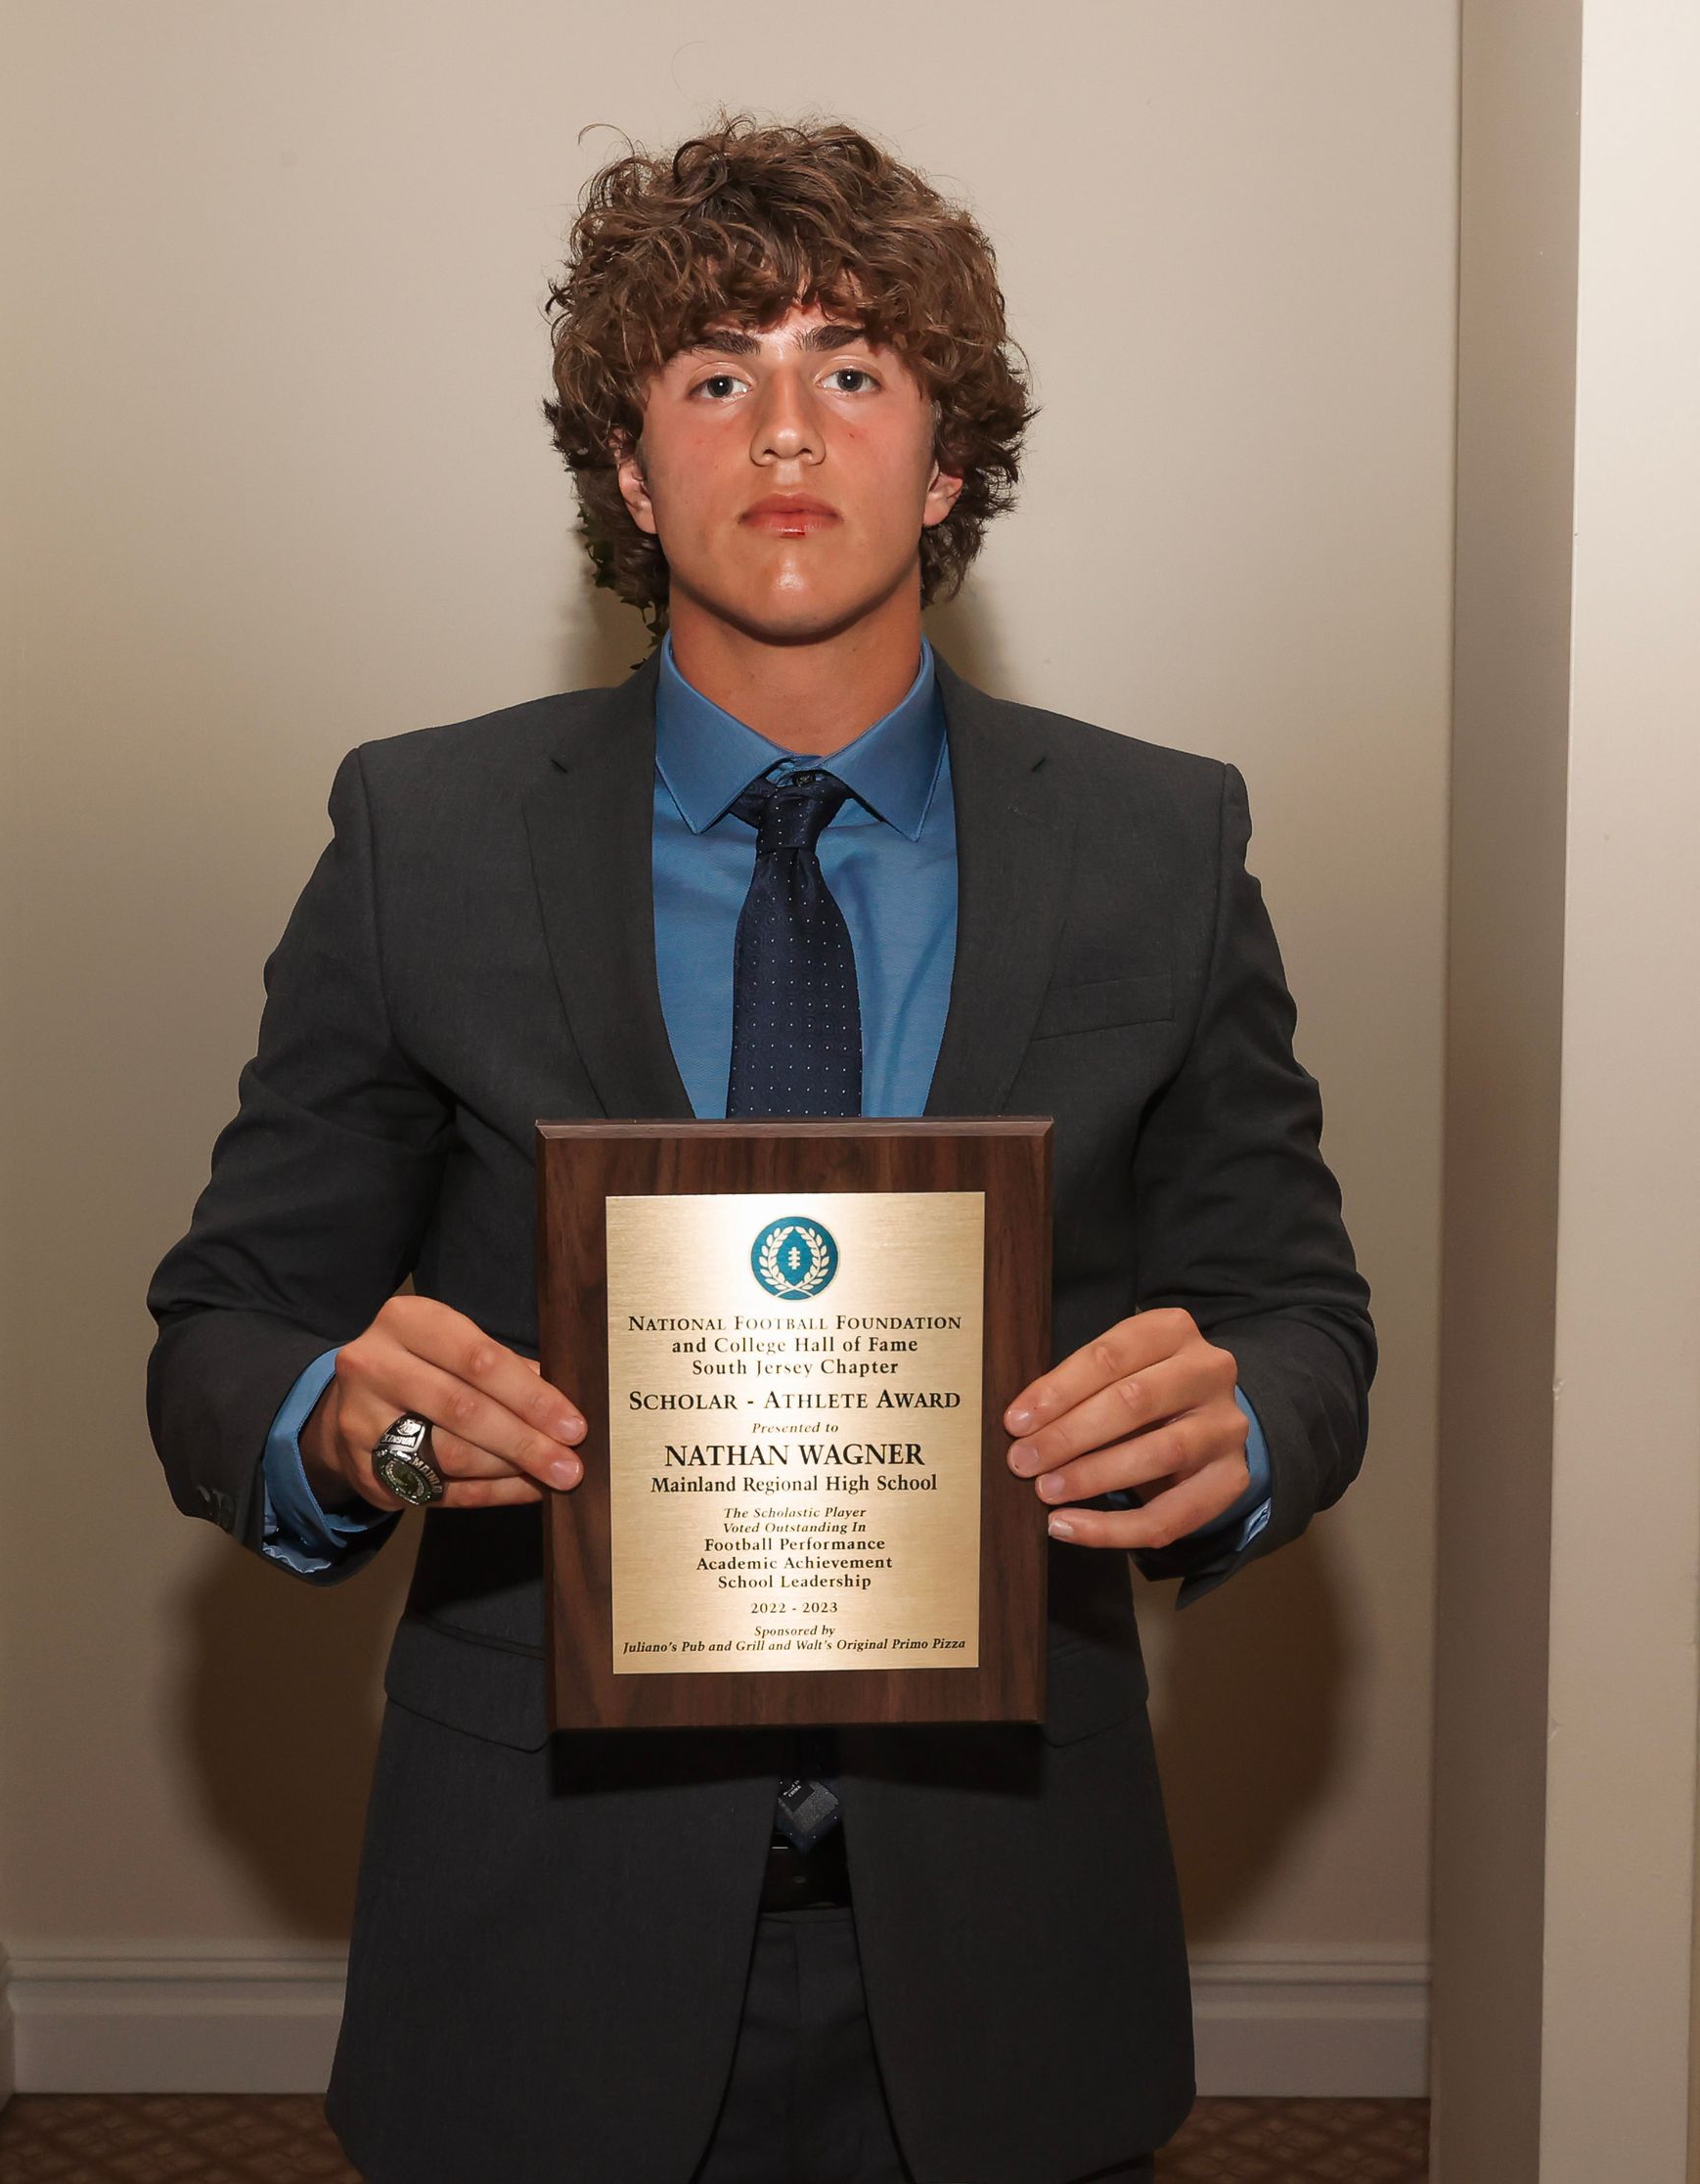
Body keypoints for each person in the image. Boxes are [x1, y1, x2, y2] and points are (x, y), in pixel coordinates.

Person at [145, 111, 1374, 2184]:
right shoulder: (423, 840)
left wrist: (1246, 1419)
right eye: (717, 376)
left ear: (949, 455)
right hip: (539, 1927)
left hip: (1011, 1927)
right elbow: (221, 1332)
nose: (784, 429)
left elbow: (1301, 1312)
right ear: (631, 472)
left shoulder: (1164, 843)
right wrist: (348, 1420)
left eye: (853, 371)